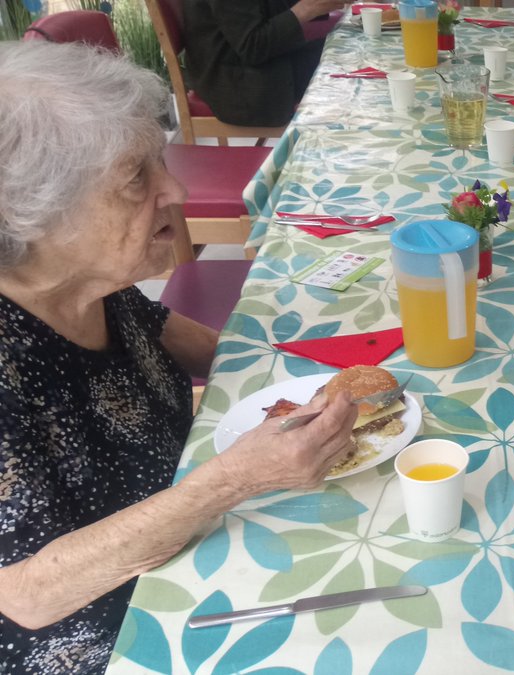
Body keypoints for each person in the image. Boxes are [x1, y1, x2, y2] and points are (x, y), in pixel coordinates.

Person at [0, 41, 359, 674]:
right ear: (33, 216)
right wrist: (236, 479)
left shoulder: (84, 280)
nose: (174, 188)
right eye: (136, 176)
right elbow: (29, 596)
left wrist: (287, 373)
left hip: (198, 527)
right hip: (115, 626)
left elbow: (159, 325)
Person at [183, 0, 347, 127]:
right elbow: (252, 46)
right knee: (347, 82)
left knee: (346, 54)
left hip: (261, 60)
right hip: (237, 81)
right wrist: (305, 9)